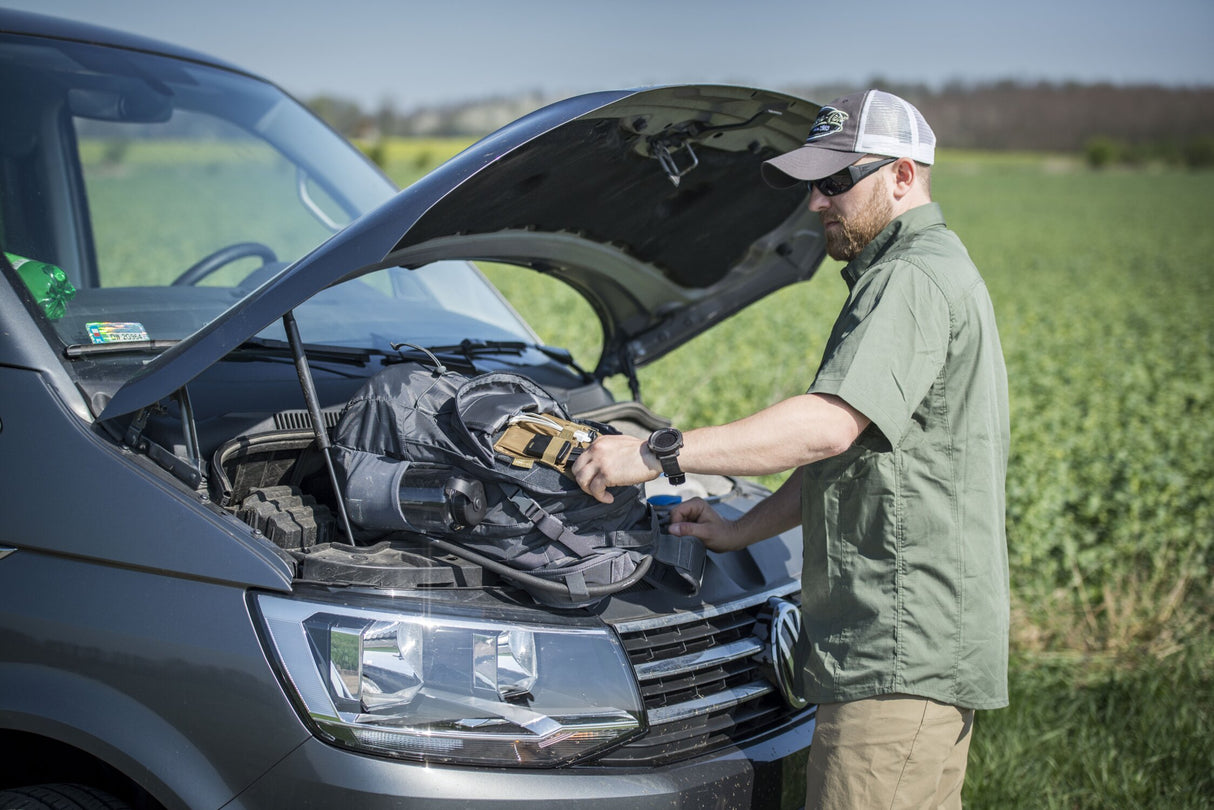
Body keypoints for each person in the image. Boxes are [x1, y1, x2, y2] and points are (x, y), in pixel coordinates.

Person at [573, 89, 1010, 809]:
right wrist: (740, 529)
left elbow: (829, 425)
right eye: (814, 181)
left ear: (903, 175)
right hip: (915, 650)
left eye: (837, 181)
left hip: (894, 656)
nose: (817, 201)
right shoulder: (923, 269)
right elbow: (855, 457)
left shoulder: (910, 278)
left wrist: (657, 453)